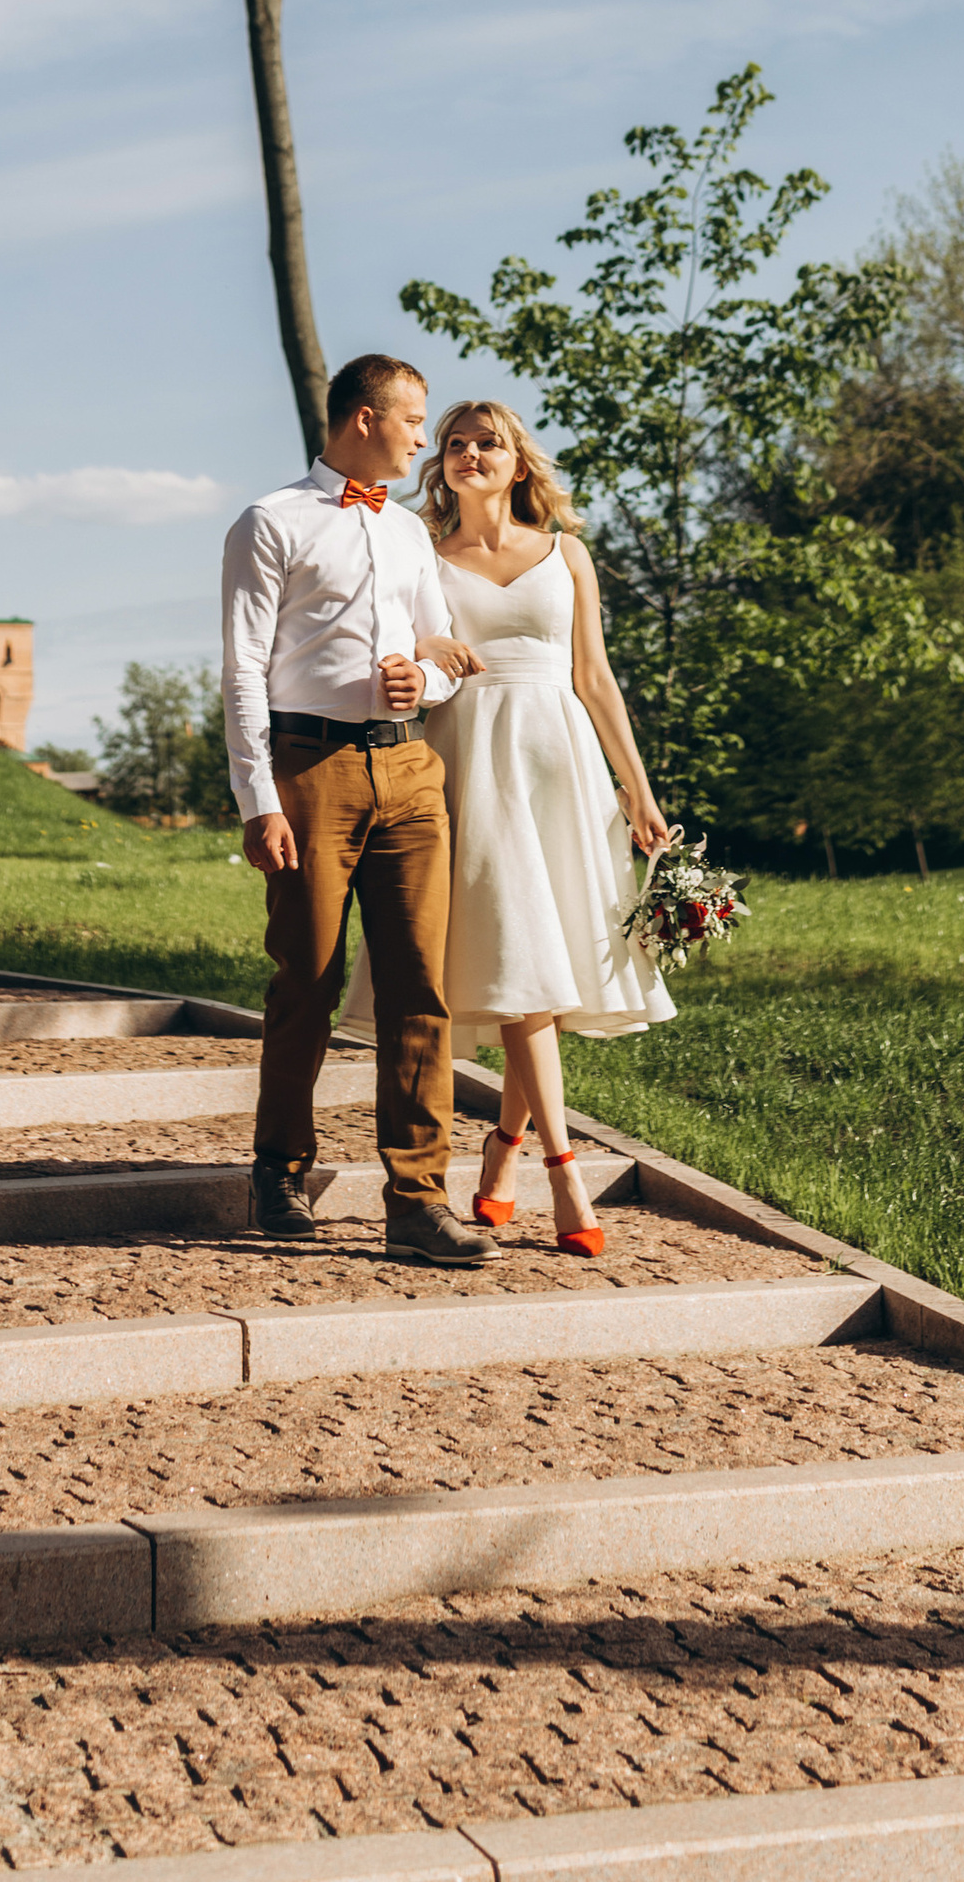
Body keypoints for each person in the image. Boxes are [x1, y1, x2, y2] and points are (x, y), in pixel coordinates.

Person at [341, 393, 671, 1252]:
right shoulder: (424, 553)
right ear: (440, 463)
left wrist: (637, 791)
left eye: (487, 443)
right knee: (517, 952)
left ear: (517, 461)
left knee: (548, 964)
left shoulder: (567, 554)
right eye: (453, 444)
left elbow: (595, 679)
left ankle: (503, 1149)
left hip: (560, 766)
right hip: (465, 763)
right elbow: (404, 648)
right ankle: (566, 1172)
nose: (468, 454)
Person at [220, 351, 498, 1268]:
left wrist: (428, 678)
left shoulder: (411, 534)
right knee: (307, 978)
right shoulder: (270, 522)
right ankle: (278, 1171)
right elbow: (242, 671)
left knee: (422, 986)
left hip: (411, 772)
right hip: (312, 771)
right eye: (415, 420)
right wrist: (260, 798)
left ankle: (418, 1199)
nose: (425, 437)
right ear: (366, 419)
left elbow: (442, 656)